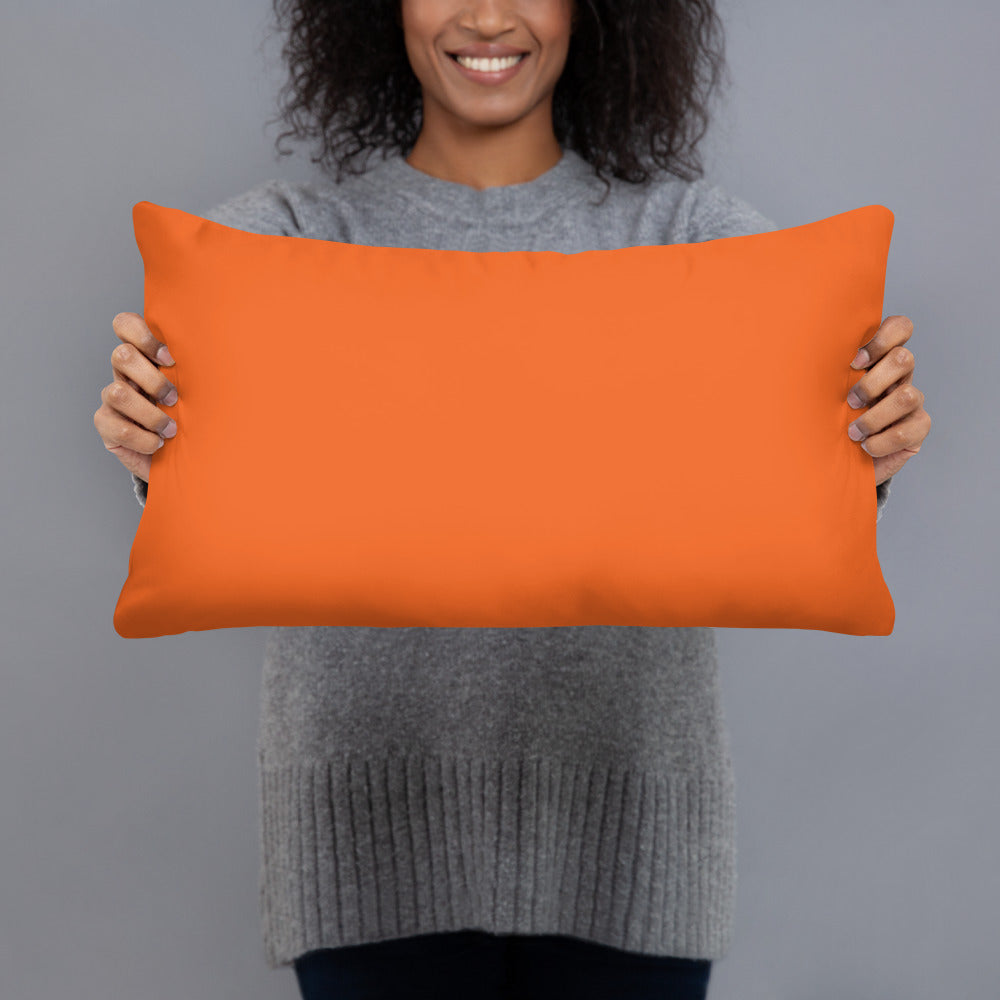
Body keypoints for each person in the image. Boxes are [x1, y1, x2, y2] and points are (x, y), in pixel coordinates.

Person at [93, 1, 931, 997]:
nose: (489, 17)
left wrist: (867, 443)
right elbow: (228, 489)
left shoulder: (690, 235)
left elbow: (783, 480)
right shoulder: (288, 235)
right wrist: (152, 443)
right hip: (363, 849)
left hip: (633, 846)